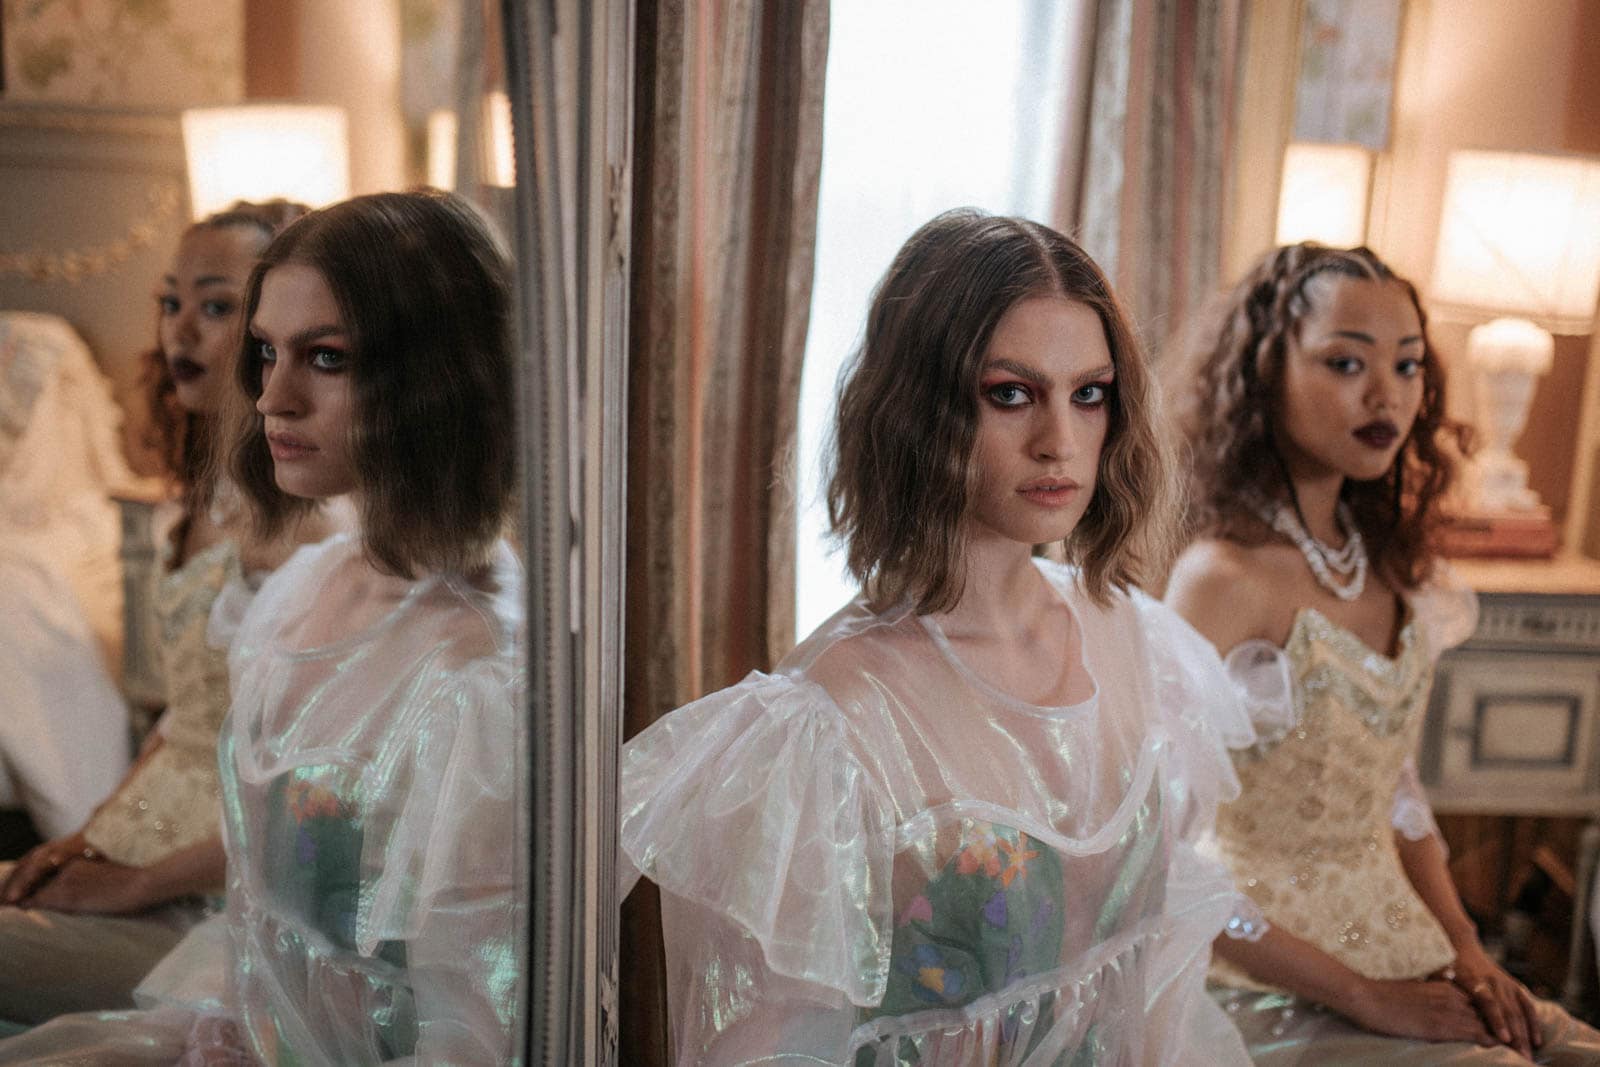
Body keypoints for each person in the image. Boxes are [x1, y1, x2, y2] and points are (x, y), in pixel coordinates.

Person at [621, 209, 1257, 1064]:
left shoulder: (1136, 639)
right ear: (919, 411)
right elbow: (761, 1047)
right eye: (1010, 394)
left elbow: (1159, 988)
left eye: (1089, 394)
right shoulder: (832, 716)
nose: (1059, 442)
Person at [0, 190, 523, 1065]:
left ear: (437, 373)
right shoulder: (303, 591)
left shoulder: (479, 670)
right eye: (268, 352)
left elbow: (469, 1020)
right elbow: (264, 917)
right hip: (238, 1016)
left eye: (326, 357)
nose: (273, 397)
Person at [1165, 241, 1600, 1063]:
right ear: (1264, 372)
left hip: (1403, 938)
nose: (1386, 395)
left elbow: (1396, 790)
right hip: (1263, 976)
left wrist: (1468, 949)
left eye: (1407, 365)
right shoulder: (1221, 580)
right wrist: (1365, 997)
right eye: (1345, 362)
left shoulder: (1393, 561)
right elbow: (1157, 858)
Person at [0, 201, 340, 1025]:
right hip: (140, 846)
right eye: (170, 301)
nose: (180, 329)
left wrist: (136, 883)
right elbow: (184, 718)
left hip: (217, 896)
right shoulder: (207, 497)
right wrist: (85, 837)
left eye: (216, 306)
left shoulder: (314, 526)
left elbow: (318, 800)